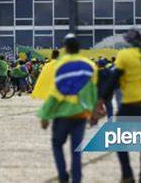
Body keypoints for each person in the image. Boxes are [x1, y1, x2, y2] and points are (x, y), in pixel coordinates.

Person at [93, 0, 141, 183]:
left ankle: (127, 173)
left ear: (129, 42)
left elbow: (114, 80)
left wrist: (100, 101)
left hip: (130, 105)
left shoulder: (124, 55)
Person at [37, 34, 98, 183]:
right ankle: (76, 179)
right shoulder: (90, 66)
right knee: (76, 150)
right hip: (81, 115)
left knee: (57, 144)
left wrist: (45, 115)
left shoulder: (60, 64)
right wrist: (93, 113)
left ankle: (63, 176)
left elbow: (55, 92)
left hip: (62, 114)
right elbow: (92, 92)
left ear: (66, 48)